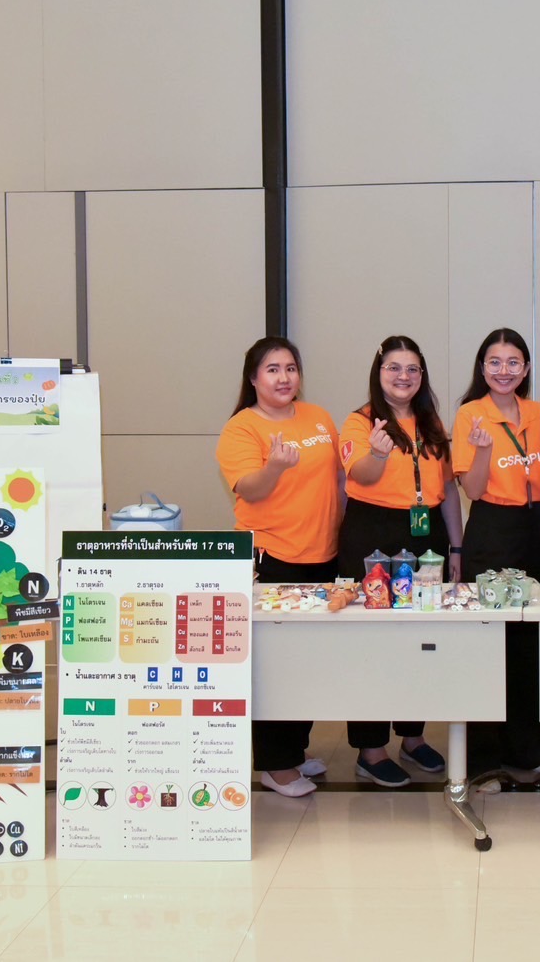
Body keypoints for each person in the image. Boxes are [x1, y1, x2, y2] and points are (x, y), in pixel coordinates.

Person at [337, 336, 463, 787]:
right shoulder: (359, 422)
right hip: (372, 533)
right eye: (394, 367)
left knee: (422, 638)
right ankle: (370, 749)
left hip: (425, 532)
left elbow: (447, 489)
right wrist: (377, 451)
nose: (403, 376)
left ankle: (413, 736)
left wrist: (457, 548)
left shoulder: (430, 422)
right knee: (371, 643)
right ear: (379, 372)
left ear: (422, 376)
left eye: (412, 369)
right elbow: (360, 475)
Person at [215, 337, 338, 798]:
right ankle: (274, 764)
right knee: (276, 665)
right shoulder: (242, 428)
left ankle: (294, 751)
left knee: (308, 663)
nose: (284, 378)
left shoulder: (318, 417)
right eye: (272, 369)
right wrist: (275, 467)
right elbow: (248, 488)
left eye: (290, 368)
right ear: (253, 378)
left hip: (324, 554)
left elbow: (337, 480)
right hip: (275, 557)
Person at [452, 328, 540, 781]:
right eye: (494, 362)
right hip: (491, 529)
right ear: (482, 368)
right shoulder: (470, 415)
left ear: (526, 368)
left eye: (513, 362)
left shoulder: (538, 414)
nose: (504, 370)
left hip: (531, 530)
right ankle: (482, 760)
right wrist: (482, 451)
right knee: (488, 643)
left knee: (527, 644)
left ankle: (527, 751)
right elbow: (472, 490)